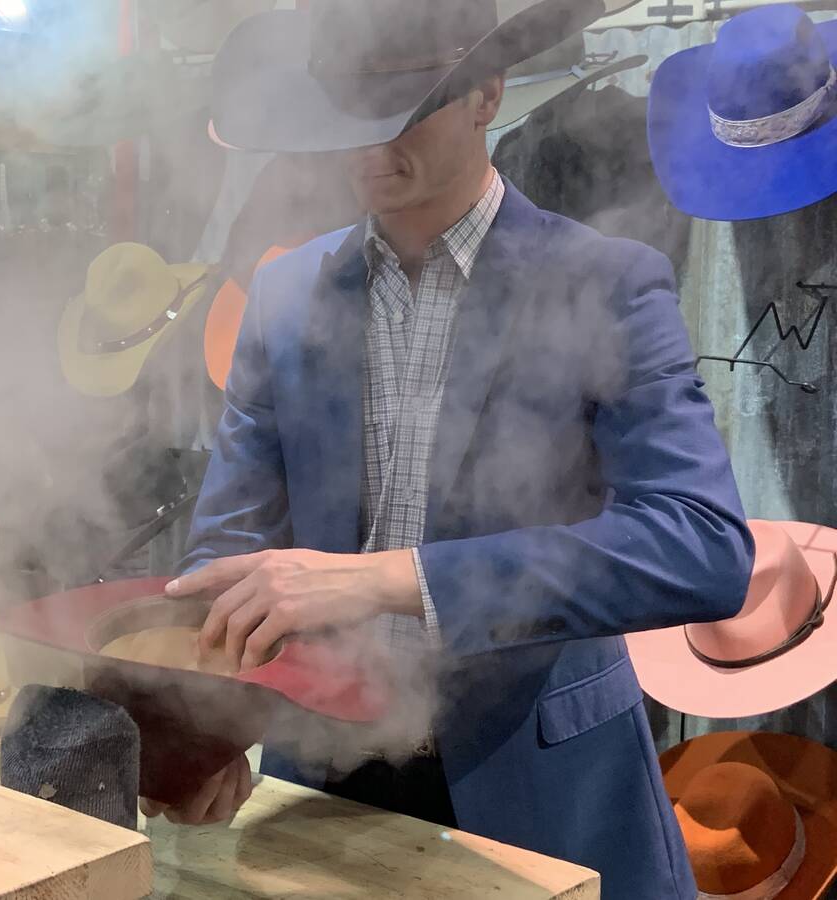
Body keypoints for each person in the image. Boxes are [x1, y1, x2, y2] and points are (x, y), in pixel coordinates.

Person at [142, 1, 754, 898]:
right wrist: (210, 731)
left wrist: (394, 578)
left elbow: (701, 547)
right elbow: (228, 555)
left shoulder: (605, 283)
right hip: (324, 778)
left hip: (546, 793)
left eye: (402, 112)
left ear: (487, 94)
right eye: (344, 117)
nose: (368, 148)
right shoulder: (283, 292)